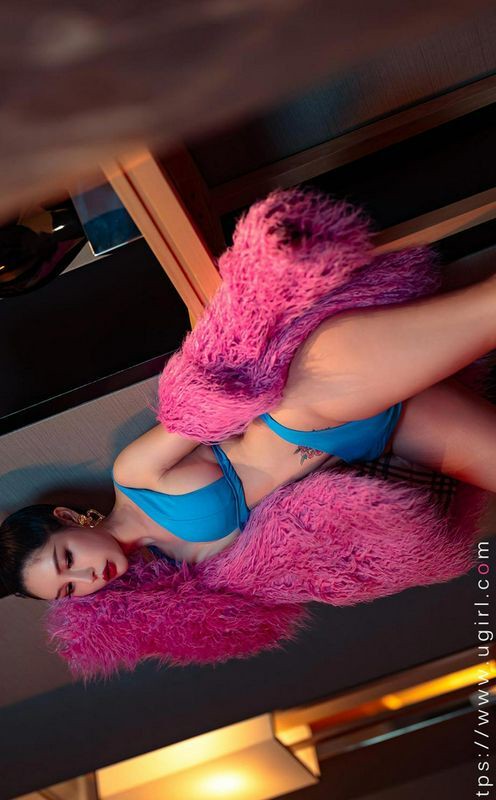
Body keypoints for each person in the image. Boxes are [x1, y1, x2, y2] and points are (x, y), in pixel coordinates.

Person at [1, 185, 495, 604]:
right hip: (379, 438)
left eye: (67, 558)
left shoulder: (133, 474)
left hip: (314, 400)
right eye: (69, 589)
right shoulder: (179, 576)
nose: (88, 576)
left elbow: (215, 400)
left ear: (69, 518)